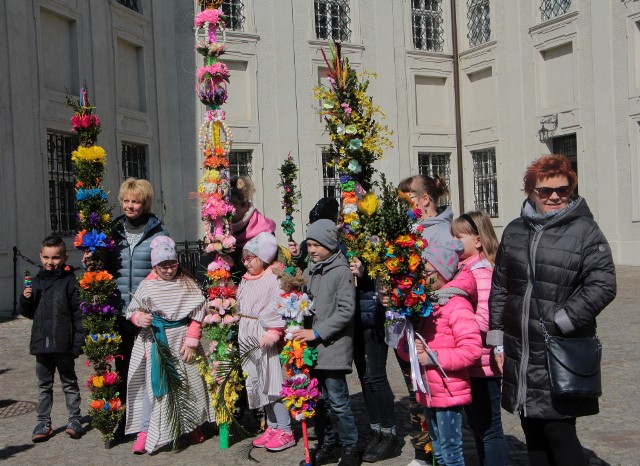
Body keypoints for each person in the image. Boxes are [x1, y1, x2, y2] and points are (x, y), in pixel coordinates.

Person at [488, 154, 616, 466]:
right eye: (545, 191)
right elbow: (501, 286)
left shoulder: (585, 230)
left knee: (559, 430)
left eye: (563, 189)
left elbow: (603, 284)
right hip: (520, 347)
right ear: (530, 192)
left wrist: (563, 319)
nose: (555, 196)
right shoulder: (515, 230)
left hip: (559, 346)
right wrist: (497, 340)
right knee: (532, 428)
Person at [398, 241, 482, 466]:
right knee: (438, 450)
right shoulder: (427, 303)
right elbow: (413, 350)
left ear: (443, 273)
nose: (422, 278)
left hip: (448, 390)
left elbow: (472, 350)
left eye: (426, 272)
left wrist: (432, 357)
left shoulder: (457, 305)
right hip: (430, 389)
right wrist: (407, 346)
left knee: (451, 452)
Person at [125, 236, 212, 454]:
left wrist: (192, 339)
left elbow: (198, 311)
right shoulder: (147, 285)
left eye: (171, 264)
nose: (168, 270)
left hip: (183, 340)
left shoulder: (187, 282)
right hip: (156, 339)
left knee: (190, 382)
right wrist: (139, 318)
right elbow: (132, 310)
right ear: (155, 265)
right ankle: (146, 430)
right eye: (162, 265)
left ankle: (192, 425)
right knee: (153, 388)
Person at [397, 174, 454, 465]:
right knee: (414, 391)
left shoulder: (443, 233)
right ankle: (423, 451)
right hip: (406, 325)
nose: (401, 207)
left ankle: (439, 453)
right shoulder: (409, 229)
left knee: (433, 391)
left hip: (432, 325)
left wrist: (405, 285)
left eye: (406, 201)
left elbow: (437, 279)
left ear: (424, 200)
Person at [292, 219, 359, 466]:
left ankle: (351, 447)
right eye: (309, 244)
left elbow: (345, 311)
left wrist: (317, 332)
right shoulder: (310, 271)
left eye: (316, 245)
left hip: (333, 347)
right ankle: (327, 444)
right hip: (312, 350)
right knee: (318, 401)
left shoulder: (340, 271)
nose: (311, 250)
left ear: (330, 244)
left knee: (338, 401)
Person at [107, 178, 168, 441]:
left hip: (145, 314)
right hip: (119, 311)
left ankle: (148, 423)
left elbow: (166, 271)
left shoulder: (158, 233)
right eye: (126, 201)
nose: (130, 206)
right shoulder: (112, 232)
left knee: (147, 369)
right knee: (120, 372)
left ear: (145, 203)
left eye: (136, 201)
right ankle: (120, 424)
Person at [451, 211, 508, 465]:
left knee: (490, 429)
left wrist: (454, 325)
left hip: (484, 365)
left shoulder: (482, 272)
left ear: (478, 240)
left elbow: (486, 318)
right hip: (471, 363)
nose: (453, 241)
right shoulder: (464, 268)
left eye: (458, 236)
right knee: (477, 426)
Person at [19, 236, 86, 442]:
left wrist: (78, 343)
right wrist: (25, 298)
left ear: (64, 257)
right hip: (41, 343)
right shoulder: (36, 281)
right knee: (44, 385)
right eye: (47, 257)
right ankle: (43, 422)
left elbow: (78, 314)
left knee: (69, 382)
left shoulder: (69, 281)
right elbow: (28, 313)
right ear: (40, 257)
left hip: (63, 342)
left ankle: (74, 418)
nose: (50, 262)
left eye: (56, 257)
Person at [236, 232, 295, 452]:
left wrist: (274, 332)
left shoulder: (273, 278)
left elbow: (279, 305)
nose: (246, 262)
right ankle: (271, 425)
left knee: (272, 383)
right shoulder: (246, 278)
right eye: (244, 258)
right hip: (247, 333)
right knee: (258, 382)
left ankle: (285, 429)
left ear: (263, 258)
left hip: (264, 334)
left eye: (251, 258)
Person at [351, 255, 401, 463]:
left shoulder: (372, 240)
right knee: (364, 377)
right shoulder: (344, 240)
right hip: (354, 317)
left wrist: (363, 275)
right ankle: (376, 430)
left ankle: (389, 434)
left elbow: (383, 275)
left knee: (376, 376)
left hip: (374, 316)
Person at [230, 176, 276, 275]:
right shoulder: (223, 229)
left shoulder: (263, 229)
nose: (229, 211)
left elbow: (264, 264)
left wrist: (233, 264)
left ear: (245, 206)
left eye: (233, 207)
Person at [287, 197, 340, 267]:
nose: (312, 250)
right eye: (310, 224)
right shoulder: (305, 245)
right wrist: (298, 255)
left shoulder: (341, 248)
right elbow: (302, 270)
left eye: (317, 245)